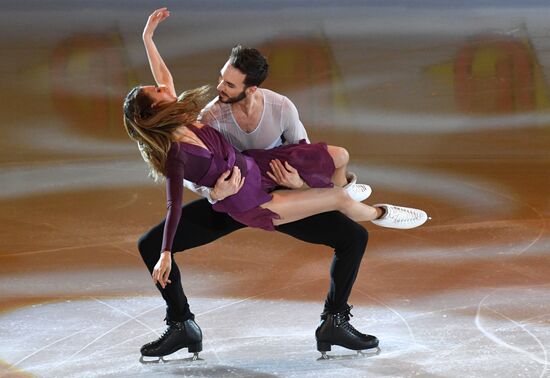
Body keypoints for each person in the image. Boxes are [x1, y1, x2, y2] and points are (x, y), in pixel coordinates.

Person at [129, 8, 428, 360]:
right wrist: (215, 194)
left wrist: (148, 37)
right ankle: (182, 326)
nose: (219, 88)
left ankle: (334, 320)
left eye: (229, 83)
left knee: (353, 235)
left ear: (251, 88)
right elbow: (184, 189)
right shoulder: (208, 116)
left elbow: (302, 152)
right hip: (234, 201)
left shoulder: (280, 107)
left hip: (269, 179)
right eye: (221, 80)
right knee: (151, 245)